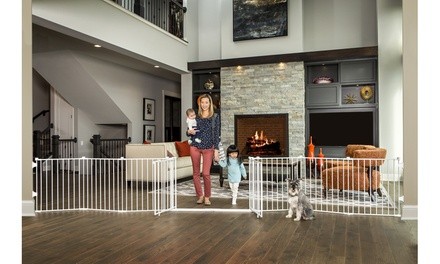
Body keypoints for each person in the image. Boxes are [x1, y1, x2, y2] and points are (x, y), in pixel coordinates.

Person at [187, 94, 220, 206]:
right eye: (202, 102)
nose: (204, 104)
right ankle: (200, 196)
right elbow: (189, 130)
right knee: (196, 173)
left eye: (206, 102)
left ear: (210, 103)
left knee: (206, 173)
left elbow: (216, 134)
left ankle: (207, 197)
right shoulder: (195, 116)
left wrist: (216, 150)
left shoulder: (215, 117)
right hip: (195, 146)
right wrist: (188, 132)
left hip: (208, 147)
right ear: (199, 103)